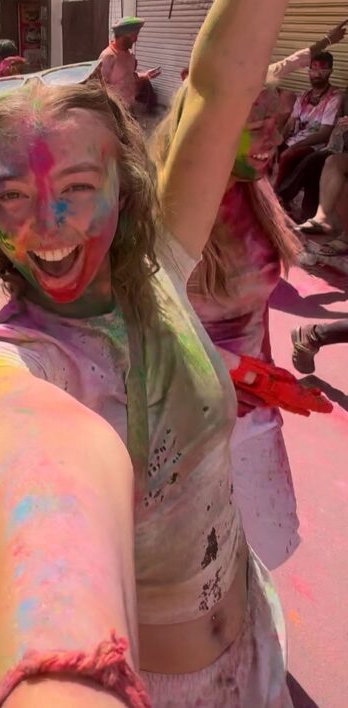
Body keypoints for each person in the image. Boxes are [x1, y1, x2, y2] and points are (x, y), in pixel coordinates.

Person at [0, 0, 344, 703]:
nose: (45, 226)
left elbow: (222, 78)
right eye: (12, 195)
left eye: (76, 188)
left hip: (254, 646)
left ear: (128, 190)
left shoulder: (157, 265)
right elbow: (35, 472)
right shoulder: (17, 365)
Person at [152, 86, 302, 570]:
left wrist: (269, 386)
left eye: (275, 124)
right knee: (199, 578)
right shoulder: (170, 208)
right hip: (190, 428)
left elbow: (256, 309)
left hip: (253, 417)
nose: (272, 138)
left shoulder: (251, 189)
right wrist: (230, 371)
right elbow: (141, 327)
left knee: (262, 557)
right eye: (255, 127)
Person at [275, 51, 343, 192]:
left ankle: (278, 196)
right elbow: (289, 123)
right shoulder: (303, 96)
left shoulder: (335, 97)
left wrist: (293, 147)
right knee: (268, 152)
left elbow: (324, 133)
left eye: (322, 70)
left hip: (315, 145)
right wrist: (278, 141)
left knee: (288, 157)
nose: (316, 74)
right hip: (294, 140)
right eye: (313, 69)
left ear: (330, 72)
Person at [99, 17, 161, 112]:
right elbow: (100, 85)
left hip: (129, 107)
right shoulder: (108, 56)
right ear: (122, 36)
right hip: (114, 109)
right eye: (133, 35)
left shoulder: (130, 55)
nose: (136, 39)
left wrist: (145, 75)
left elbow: (129, 77)